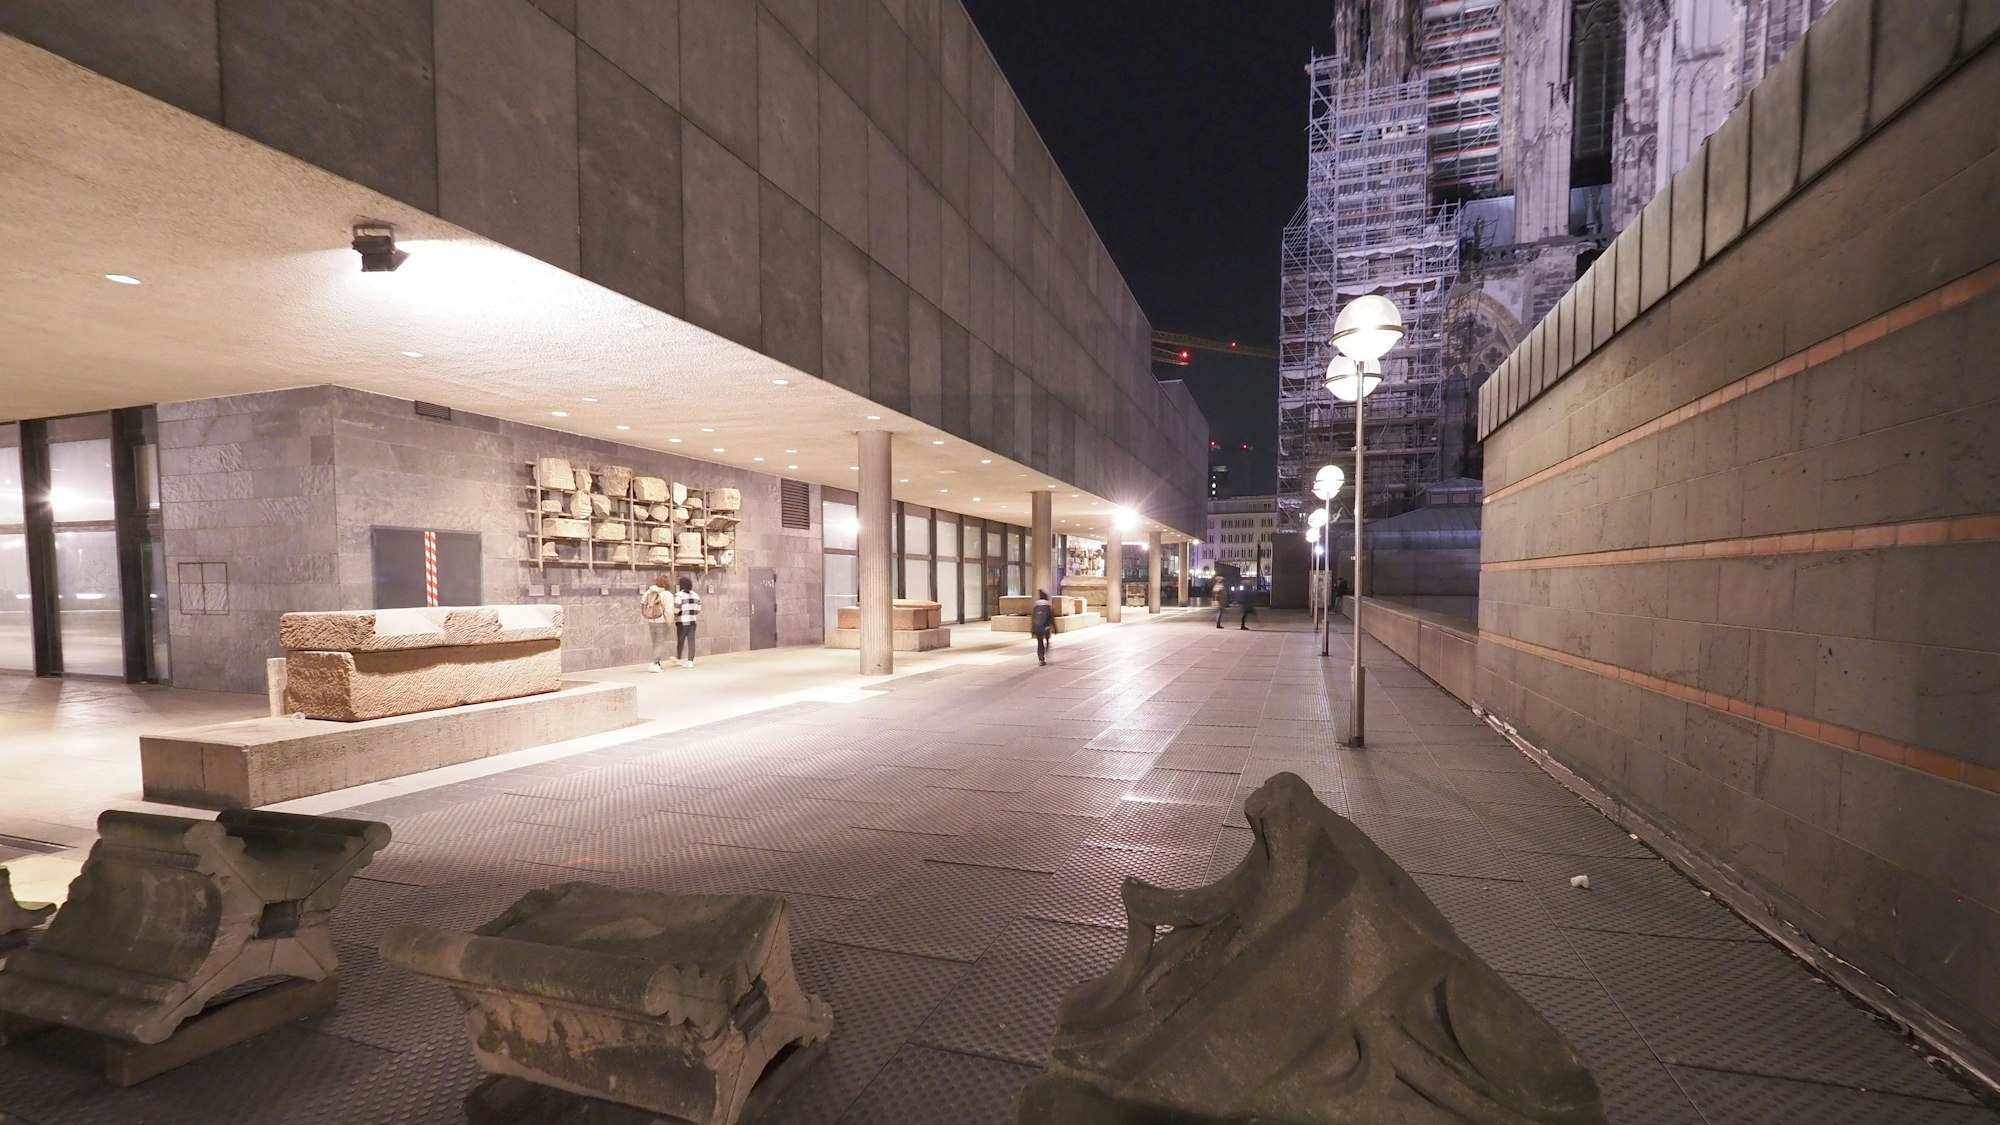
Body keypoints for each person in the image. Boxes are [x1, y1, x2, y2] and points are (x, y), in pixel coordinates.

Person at [640, 575, 672, 672]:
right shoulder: (667, 594)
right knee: (659, 643)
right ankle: (654, 663)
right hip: (661, 621)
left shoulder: (648, 592)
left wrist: (647, 616)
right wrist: (670, 621)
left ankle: (656, 663)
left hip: (651, 621)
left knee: (655, 643)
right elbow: (669, 610)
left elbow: (642, 604)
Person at [672, 575, 702, 668]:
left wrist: (675, 615)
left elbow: (676, 609)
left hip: (682, 622)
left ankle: (678, 658)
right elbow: (698, 610)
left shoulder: (679, 595)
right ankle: (690, 661)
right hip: (692, 621)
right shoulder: (696, 595)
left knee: (680, 641)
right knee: (691, 641)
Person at [1030, 589, 1055, 665]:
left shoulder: (1036, 607)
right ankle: (1047, 646)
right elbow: (1051, 619)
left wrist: (1032, 629)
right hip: (1046, 628)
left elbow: (1033, 618)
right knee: (1047, 638)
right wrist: (1055, 629)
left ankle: (1041, 658)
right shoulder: (1048, 607)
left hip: (1037, 628)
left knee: (1039, 642)